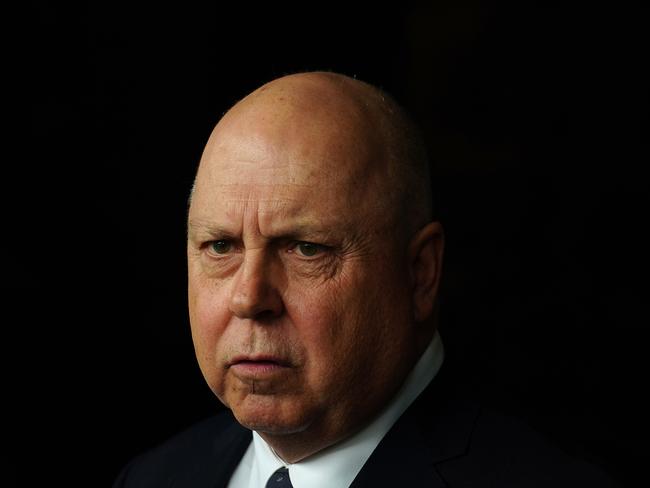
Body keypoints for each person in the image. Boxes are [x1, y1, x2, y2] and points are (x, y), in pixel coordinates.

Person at [113, 71, 617, 487]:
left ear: (421, 274)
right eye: (220, 246)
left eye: (306, 249)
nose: (250, 297)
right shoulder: (153, 478)